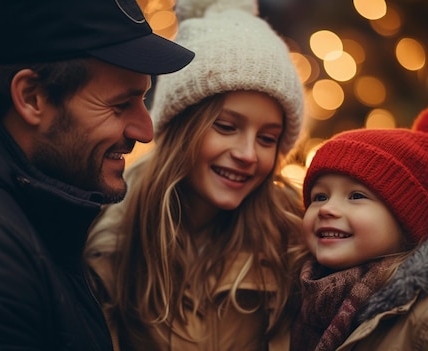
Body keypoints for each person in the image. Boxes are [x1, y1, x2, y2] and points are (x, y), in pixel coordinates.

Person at [0, 0, 194, 349]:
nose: (145, 131)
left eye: (143, 101)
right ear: (32, 97)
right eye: (119, 105)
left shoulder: (31, 204)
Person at [85, 0, 307, 349]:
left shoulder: (288, 239)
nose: (248, 154)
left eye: (267, 139)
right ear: (182, 127)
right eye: (226, 127)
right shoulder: (113, 237)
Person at [290, 104, 428, 350]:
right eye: (319, 197)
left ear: (408, 220)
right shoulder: (297, 299)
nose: (326, 209)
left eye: (356, 196)